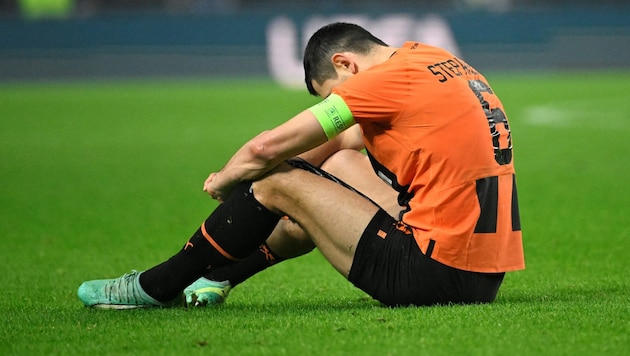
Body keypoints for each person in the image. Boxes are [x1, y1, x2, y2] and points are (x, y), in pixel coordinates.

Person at [78, 22, 524, 308]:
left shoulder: (378, 82)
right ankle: (221, 277)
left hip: (431, 275)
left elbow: (264, 149)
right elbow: (344, 140)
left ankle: (159, 286)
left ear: (345, 64)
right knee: (340, 164)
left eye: (334, 93)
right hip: (481, 273)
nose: (339, 104)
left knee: (276, 180)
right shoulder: (428, 59)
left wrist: (229, 181)